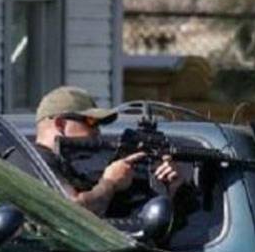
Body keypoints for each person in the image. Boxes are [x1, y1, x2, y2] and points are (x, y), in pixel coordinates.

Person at [33, 85, 188, 216]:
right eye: (90, 122)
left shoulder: (78, 168)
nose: (97, 132)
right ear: (60, 124)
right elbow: (70, 213)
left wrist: (171, 189)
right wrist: (110, 183)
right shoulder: (33, 161)